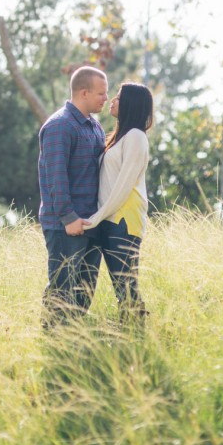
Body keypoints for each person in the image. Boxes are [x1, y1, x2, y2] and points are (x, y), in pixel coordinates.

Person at [37, 65, 108, 326]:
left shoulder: (95, 126)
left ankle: (74, 341)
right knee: (61, 287)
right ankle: (54, 340)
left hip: (91, 222)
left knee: (85, 290)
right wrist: (69, 218)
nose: (105, 99)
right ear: (84, 92)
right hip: (65, 225)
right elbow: (56, 177)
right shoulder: (59, 126)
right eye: (101, 93)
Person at [84, 81, 153, 322]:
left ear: (131, 104)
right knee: (121, 285)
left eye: (119, 97)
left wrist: (97, 216)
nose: (112, 100)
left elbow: (124, 186)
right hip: (109, 218)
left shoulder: (136, 137)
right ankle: (131, 336)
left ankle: (136, 339)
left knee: (126, 285)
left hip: (123, 221)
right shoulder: (119, 137)